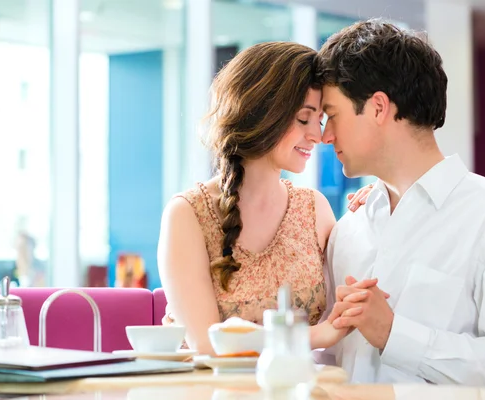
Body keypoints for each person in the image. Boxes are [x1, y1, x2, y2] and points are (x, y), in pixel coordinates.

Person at [316, 19, 485, 397]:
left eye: (332, 115)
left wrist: (396, 335)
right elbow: (331, 362)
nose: (325, 136)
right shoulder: (348, 230)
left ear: (378, 107)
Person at [157, 41, 377, 355]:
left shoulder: (314, 209)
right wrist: (319, 335)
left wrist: (377, 208)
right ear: (261, 113)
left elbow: (356, 295)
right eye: (304, 119)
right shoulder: (187, 214)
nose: (317, 135)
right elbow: (207, 345)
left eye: (321, 120)